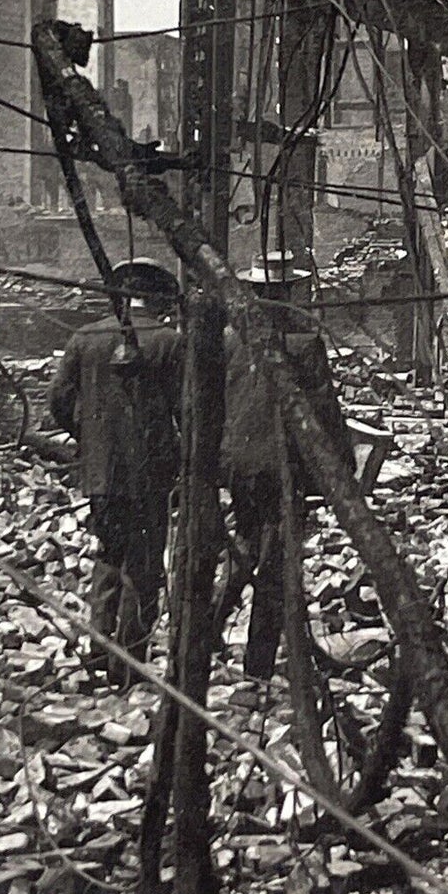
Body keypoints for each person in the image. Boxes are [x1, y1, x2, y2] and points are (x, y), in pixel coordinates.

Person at [48, 259, 184, 687]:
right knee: (143, 569)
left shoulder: (85, 338)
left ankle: (97, 655)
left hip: (101, 476)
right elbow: (189, 411)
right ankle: (128, 666)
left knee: (108, 559)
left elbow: (58, 401)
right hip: (151, 475)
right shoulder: (169, 342)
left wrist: (90, 438)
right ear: (157, 297)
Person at [217, 252, 351, 680]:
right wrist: (342, 467)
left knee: (244, 544)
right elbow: (324, 411)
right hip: (283, 467)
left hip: (240, 464)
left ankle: (208, 630)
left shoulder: (230, 339)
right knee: (276, 563)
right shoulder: (302, 342)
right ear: (290, 293)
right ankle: (257, 665)